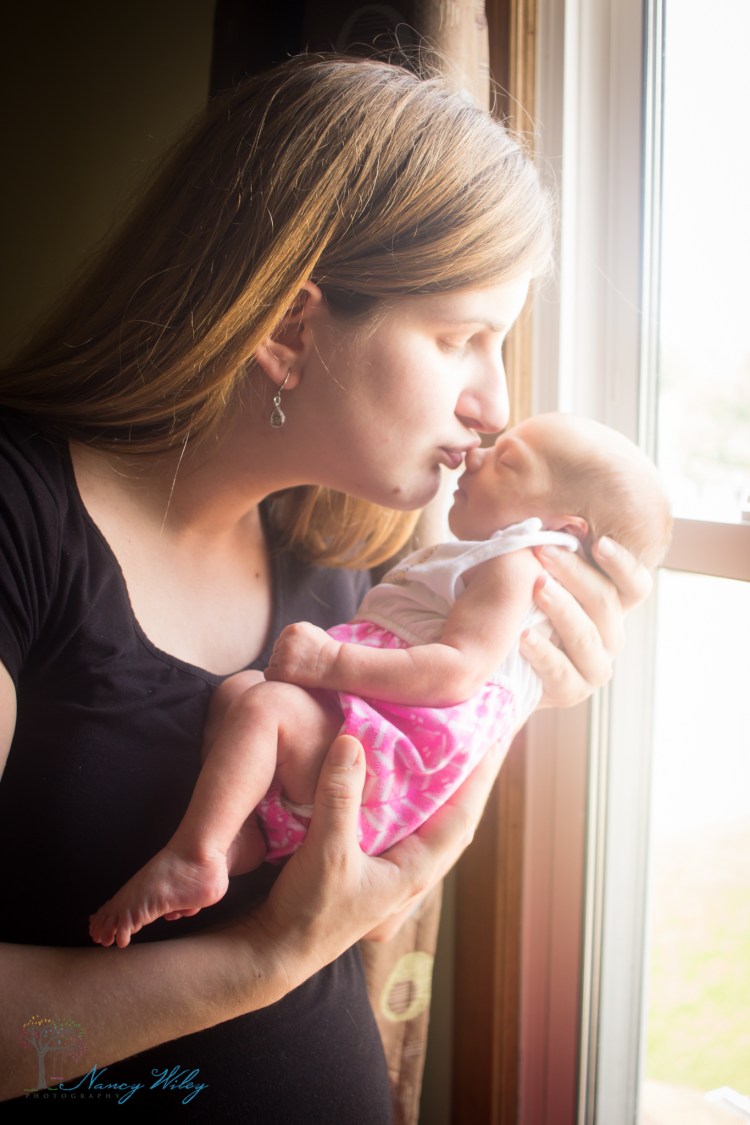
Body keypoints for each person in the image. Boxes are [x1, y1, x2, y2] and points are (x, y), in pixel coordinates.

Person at [0, 56, 651, 1118]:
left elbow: (367, 894)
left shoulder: (338, 557)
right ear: (291, 328)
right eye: (463, 339)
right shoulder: (16, 523)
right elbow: (298, 944)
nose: (495, 405)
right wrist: (262, 961)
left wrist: (513, 681)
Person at [88, 412, 671, 950]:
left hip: (388, 760)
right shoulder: (479, 559)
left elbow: (458, 671)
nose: (477, 454)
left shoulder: (515, 564)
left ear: (562, 530)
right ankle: (245, 840)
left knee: (264, 708)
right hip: (372, 751)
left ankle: (197, 856)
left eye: (509, 461)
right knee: (241, 696)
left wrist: (328, 662)